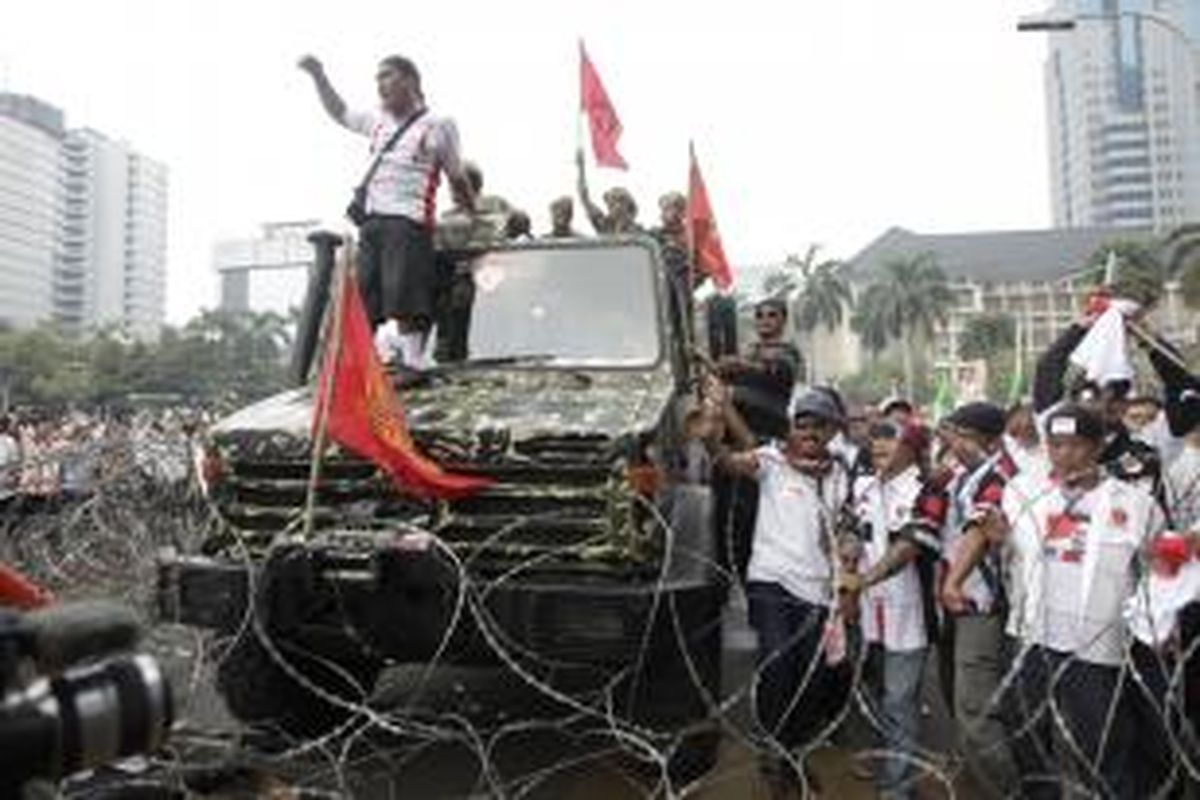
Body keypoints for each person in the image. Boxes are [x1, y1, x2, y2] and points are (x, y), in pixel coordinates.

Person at [962, 404, 1163, 798]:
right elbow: (1009, 556)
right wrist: (999, 541)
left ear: (1099, 445)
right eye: (1055, 445)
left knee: (1102, 748)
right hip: (1030, 639)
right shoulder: (1023, 491)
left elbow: (1157, 574)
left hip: (1096, 649)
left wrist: (1161, 626)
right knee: (1029, 741)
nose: (1064, 455)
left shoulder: (1136, 505)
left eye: (1075, 445)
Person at [702, 387, 851, 797]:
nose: (808, 432)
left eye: (818, 425)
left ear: (832, 431)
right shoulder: (770, 461)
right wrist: (712, 432)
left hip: (819, 589)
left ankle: (791, 752)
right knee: (779, 661)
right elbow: (728, 461)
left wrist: (849, 557)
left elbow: (846, 527)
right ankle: (772, 752)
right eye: (801, 423)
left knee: (811, 676)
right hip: (772, 581)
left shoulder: (840, 472)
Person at [298, 53, 476, 368]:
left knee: (404, 295)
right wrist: (318, 76)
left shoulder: (438, 125)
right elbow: (340, 112)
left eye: (388, 76)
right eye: (378, 78)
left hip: (408, 219)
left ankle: (413, 362)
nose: (381, 85)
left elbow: (456, 175)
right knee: (367, 297)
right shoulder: (378, 120)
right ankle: (362, 366)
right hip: (372, 220)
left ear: (411, 81)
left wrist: (472, 208)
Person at [839, 420, 936, 799]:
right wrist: (848, 572)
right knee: (876, 695)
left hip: (909, 613)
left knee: (899, 699)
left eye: (889, 440)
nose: (878, 444)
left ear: (912, 448)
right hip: (867, 611)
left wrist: (865, 579)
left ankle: (898, 789)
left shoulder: (926, 489)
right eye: (875, 440)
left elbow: (911, 544)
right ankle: (891, 770)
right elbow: (849, 527)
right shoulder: (863, 485)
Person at [931, 402, 1018, 797]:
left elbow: (980, 530)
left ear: (990, 439)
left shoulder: (1000, 476)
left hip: (981, 604)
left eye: (964, 436)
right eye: (955, 434)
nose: (956, 443)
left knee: (975, 706)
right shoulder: (967, 475)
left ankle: (1007, 789)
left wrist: (953, 582)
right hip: (959, 600)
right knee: (963, 697)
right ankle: (983, 778)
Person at [711, 298, 804, 585]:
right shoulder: (749, 354)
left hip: (765, 449)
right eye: (759, 315)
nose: (764, 320)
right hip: (732, 446)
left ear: (782, 320)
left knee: (757, 519)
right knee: (728, 519)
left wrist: (736, 364)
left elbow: (774, 369)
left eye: (771, 315)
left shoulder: (787, 354)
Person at [575, 149, 640, 234]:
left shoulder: (638, 232)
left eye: (620, 201)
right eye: (612, 203)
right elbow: (585, 198)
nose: (616, 206)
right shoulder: (604, 225)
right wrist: (581, 169)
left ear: (628, 206)